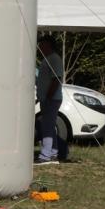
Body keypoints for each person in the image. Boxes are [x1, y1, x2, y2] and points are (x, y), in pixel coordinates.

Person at [36, 35, 64, 164]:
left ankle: (45, 156)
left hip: (51, 99)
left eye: (42, 44)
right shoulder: (46, 59)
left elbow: (56, 79)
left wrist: (48, 97)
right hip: (46, 99)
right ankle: (53, 153)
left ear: (48, 45)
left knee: (47, 126)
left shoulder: (54, 58)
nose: (40, 47)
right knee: (50, 126)